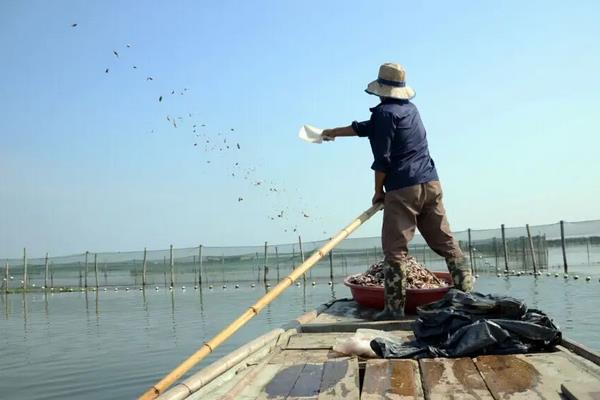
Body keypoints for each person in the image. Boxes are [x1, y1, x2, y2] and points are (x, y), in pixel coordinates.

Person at [322, 63, 473, 320]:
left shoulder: (384, 114)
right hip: (430, 183)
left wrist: (378, 191)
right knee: (446, 241)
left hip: (403, 188)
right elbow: (367, 128)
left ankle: (393, 310)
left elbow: (382, 160)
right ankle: (467, 299)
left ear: (381, 91)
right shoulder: (410, 110)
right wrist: (333, 133)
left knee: (395, 249)